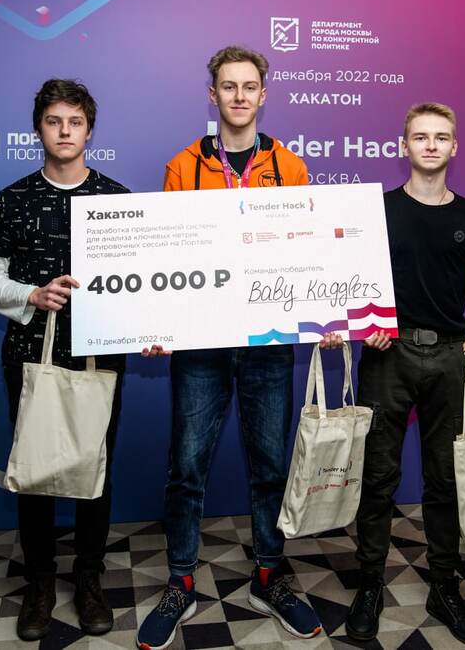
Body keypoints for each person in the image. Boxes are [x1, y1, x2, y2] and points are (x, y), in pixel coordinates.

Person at [136, 46, 327, 650]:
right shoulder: (182, 166)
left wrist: (332, 308)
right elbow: (165, 254)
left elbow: (307, 253)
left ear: (263, 95)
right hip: (201, 342)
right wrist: (155, 323)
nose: (239, 96)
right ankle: (180, 582)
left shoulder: (290, 166)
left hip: (269, 342)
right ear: (212, 94)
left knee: (270, 466)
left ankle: (269, 575)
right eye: (228, 86)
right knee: (186, 467)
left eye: (249, 87)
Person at [344, 102, 465, 647]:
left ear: (454, 147)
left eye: (441, 137)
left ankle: (444, 586)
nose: (431, 145)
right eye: (421, 137)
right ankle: (369, 584)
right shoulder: (378, 210)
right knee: (378, 477)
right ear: (404, 146)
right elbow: (349, 278)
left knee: (445, 480)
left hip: (448, 360)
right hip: (387, 358)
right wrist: (365, 325)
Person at [0, 79, 130, 641]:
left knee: (95, 470)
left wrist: (154, 328)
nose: (65, 131)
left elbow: (142, 285)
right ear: (38, 129)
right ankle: (39, 584)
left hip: (99, 357)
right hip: (28, 356)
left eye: (75, 122)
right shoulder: (12, 199)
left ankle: (88, 579)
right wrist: (31, 295)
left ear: (90, 130)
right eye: (54, 121)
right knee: (35, 472)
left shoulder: (117, 199)